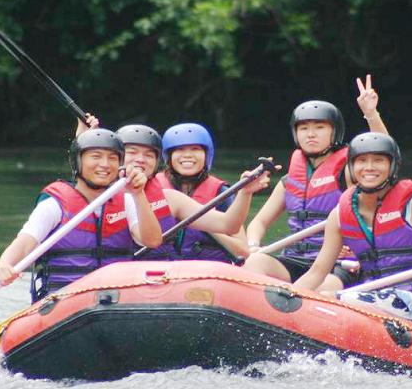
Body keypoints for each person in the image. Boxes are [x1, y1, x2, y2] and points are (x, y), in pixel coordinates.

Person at [294, 132, 412, 323]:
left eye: (378, 160)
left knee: (330, 299)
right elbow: (317, 272)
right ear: (351, 166)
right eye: (362, 161)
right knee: (315, 297)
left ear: (392, 166)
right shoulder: (339, 216)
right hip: (373, 297)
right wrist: (289, 296)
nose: (369, 167)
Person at [243, 75, 388, 286]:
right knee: (254, 264)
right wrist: (253, 245)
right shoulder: (289, 180)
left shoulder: (349, 172)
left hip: (339, 264)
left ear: (334, 132)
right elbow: (259, 221)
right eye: (303, 128)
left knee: (325, 286)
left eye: (319, 128)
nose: (311, 134)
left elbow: (382, 150)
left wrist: (370, 114)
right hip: (295, 259)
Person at [0, 128, 163, 302]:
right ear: (78, 162)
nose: (105, 164)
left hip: (117, 300)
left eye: (112, 158)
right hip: (65, 300)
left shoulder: (127, 200)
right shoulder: (54, 205)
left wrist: (138, 194)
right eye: (96, 156)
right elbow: (25, 243)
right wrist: (4, 264)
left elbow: (152, 241)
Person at [79, 115, 273, 260]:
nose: (140, 159)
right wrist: (83, 137)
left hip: (155, 281)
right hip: (105, 282)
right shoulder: (96, 192)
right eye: (132, 152)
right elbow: (82, 168)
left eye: (149, 154)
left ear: (157, 161)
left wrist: (245, 192)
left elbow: (228, 225)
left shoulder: (171, 198)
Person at [154, 122, 249, 262]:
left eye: (195, 149)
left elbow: (243, 250)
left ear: (206, 155)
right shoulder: (153, 188)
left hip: (206, 270)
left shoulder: (221, 193)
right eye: (179, 149)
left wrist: (203, 226)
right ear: (169, 156)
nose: (187, 155)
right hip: (162, 268)